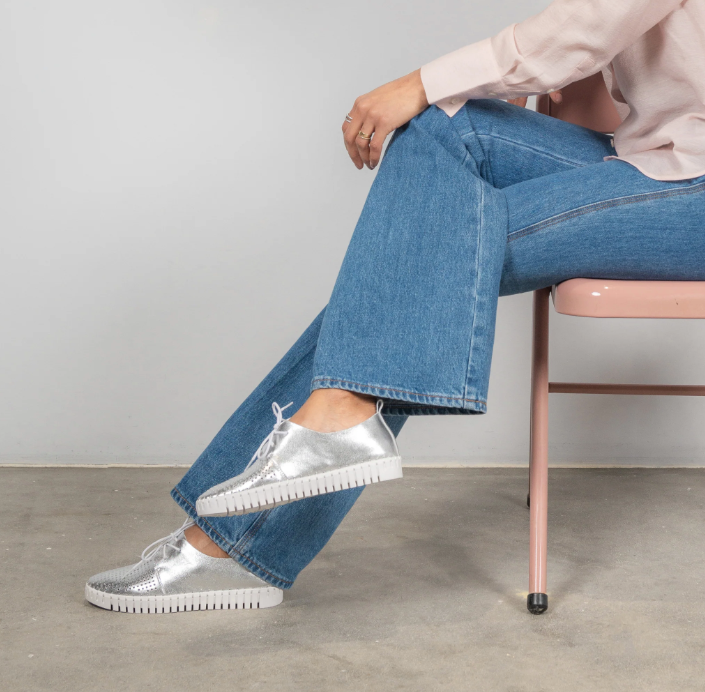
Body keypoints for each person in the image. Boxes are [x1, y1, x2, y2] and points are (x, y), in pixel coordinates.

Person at [86, 0, 705, 613]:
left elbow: (586, 27)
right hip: (654, 157)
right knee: (444, 126)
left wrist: (420, 81)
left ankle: (239, 536)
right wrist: (486, 82)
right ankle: (319, 442)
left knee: (424, 259)